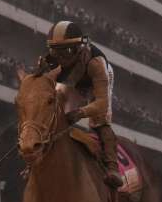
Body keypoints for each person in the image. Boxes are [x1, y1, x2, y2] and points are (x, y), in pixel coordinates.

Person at [40, 20, 123, 188]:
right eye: (55, 51)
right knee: (57, 115)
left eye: (67, 51)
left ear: (79, 49)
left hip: (95, 82)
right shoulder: (50, 61)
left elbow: (102, 104)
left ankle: (113, 167)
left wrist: (80, 112)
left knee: (99, 121)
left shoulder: (96, 64)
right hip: (73, 82)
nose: (61, 58)